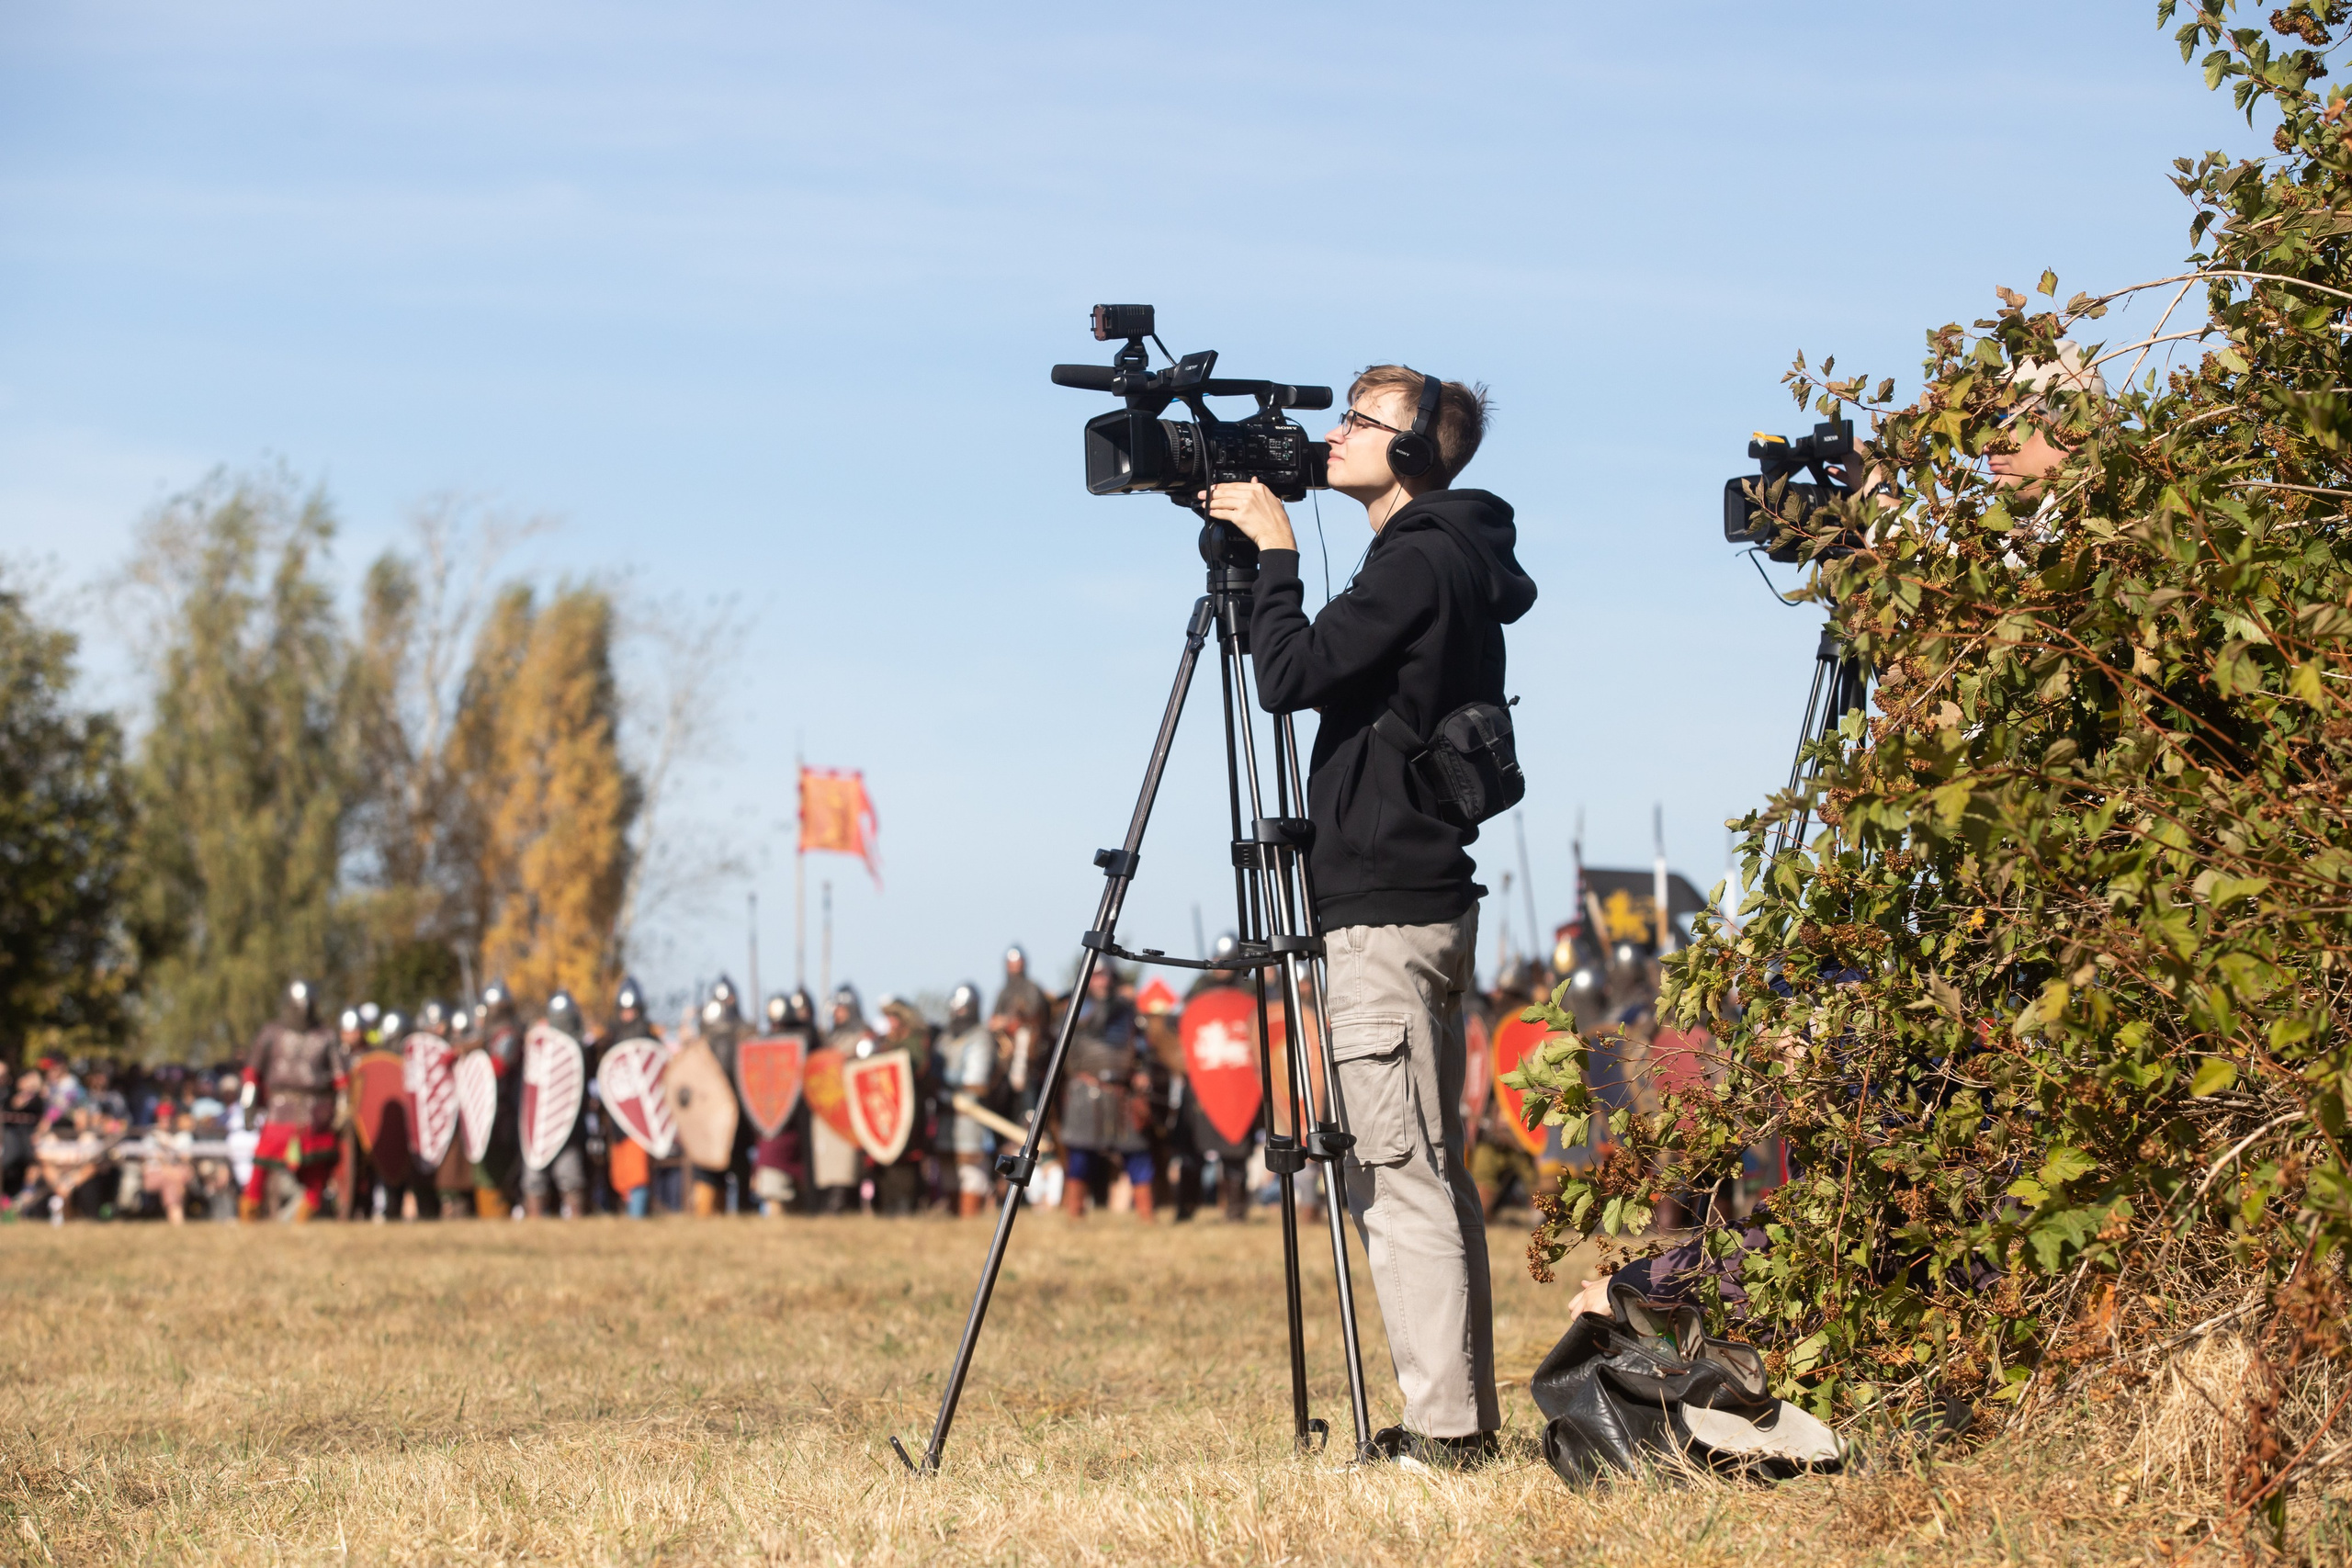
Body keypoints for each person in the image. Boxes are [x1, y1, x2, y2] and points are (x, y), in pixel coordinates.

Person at [1204, 363, 1533, 1463]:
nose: (1333, 435)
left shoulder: (1421, 559)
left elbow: (1288, 675)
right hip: (1413, 895)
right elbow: (1318, 671)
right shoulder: (1438, 557)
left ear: (1410, 455)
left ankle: (1444, 1438)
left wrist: (1277, 548)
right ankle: (1458, 1424)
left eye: (1361, 421)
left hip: (1387, 908)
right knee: (1424, 1168)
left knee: (1397, 1178)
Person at [240, 978, 350, 1223]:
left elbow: (341, 1079)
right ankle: (249, 1210)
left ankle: (305, 1214)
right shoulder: (271, 1033)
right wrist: (248, 1105)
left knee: (317, 1168)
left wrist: (342, 1108)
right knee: (262, 1163)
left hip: (316, 1112)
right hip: (280, 1108)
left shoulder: (326, 1037)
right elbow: (252, 1074)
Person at [1056, 965, 1153, 1221]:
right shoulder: (1076, 1008)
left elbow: (1141, 1043)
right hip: (1086, 1090)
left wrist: (1142, 1072)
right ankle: (1075, 1212)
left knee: (1136, 1152)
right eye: (1097, 976)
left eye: (1107, 976)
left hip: (1123, 1091)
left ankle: (1146, 1213)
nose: (1103, 981)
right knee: (1081, 1154)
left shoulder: (1127, 1010)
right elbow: (1080, 1033)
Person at [521, 990, 594, 1218]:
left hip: (567, 1124)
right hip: (537, 1125)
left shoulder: (580, 1047)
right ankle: (534, 1223)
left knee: (570, 1177)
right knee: (534, 1178)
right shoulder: (538, 1044)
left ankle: (575, 1220)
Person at [751, 989, 816, 1216]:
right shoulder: (762, 1048)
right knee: (773, 1193)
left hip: (802, 1128)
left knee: (799, 1201)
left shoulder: (807, 1043)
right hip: (774, 1130)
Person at [938, 983, 998, 1218]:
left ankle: (970, 1221)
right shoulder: (944, 1039)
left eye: (963, 1008)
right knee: (948, 1173)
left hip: (970, 1118)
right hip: (946, 1118)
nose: (958, 1013)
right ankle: (954, 1222)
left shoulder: (980, 1037)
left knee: (971, 1174)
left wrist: (945, 1087)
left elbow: (976, 1081)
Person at [812, 985, 870, 1213]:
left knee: (846, 1164)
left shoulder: (863, 1038)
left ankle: (845, 1204)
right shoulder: (828, 1039)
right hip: (828, 1109)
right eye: (836, 1008)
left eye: (843, 1008)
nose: (838, 1013)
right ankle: (829, 1203)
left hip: (850, 1110)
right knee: (827, 1162)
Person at [989, 946, 1051, 1122]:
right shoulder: (1003, 992)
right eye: (1011, 964)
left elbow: (1034, 1016)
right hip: (1005, 1053)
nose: (1014, 967)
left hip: (1028, 1053)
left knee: (1027, 1093)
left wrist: (1009, 1022)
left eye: (1017, 963)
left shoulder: (1031, 988)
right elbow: (994, 1018)